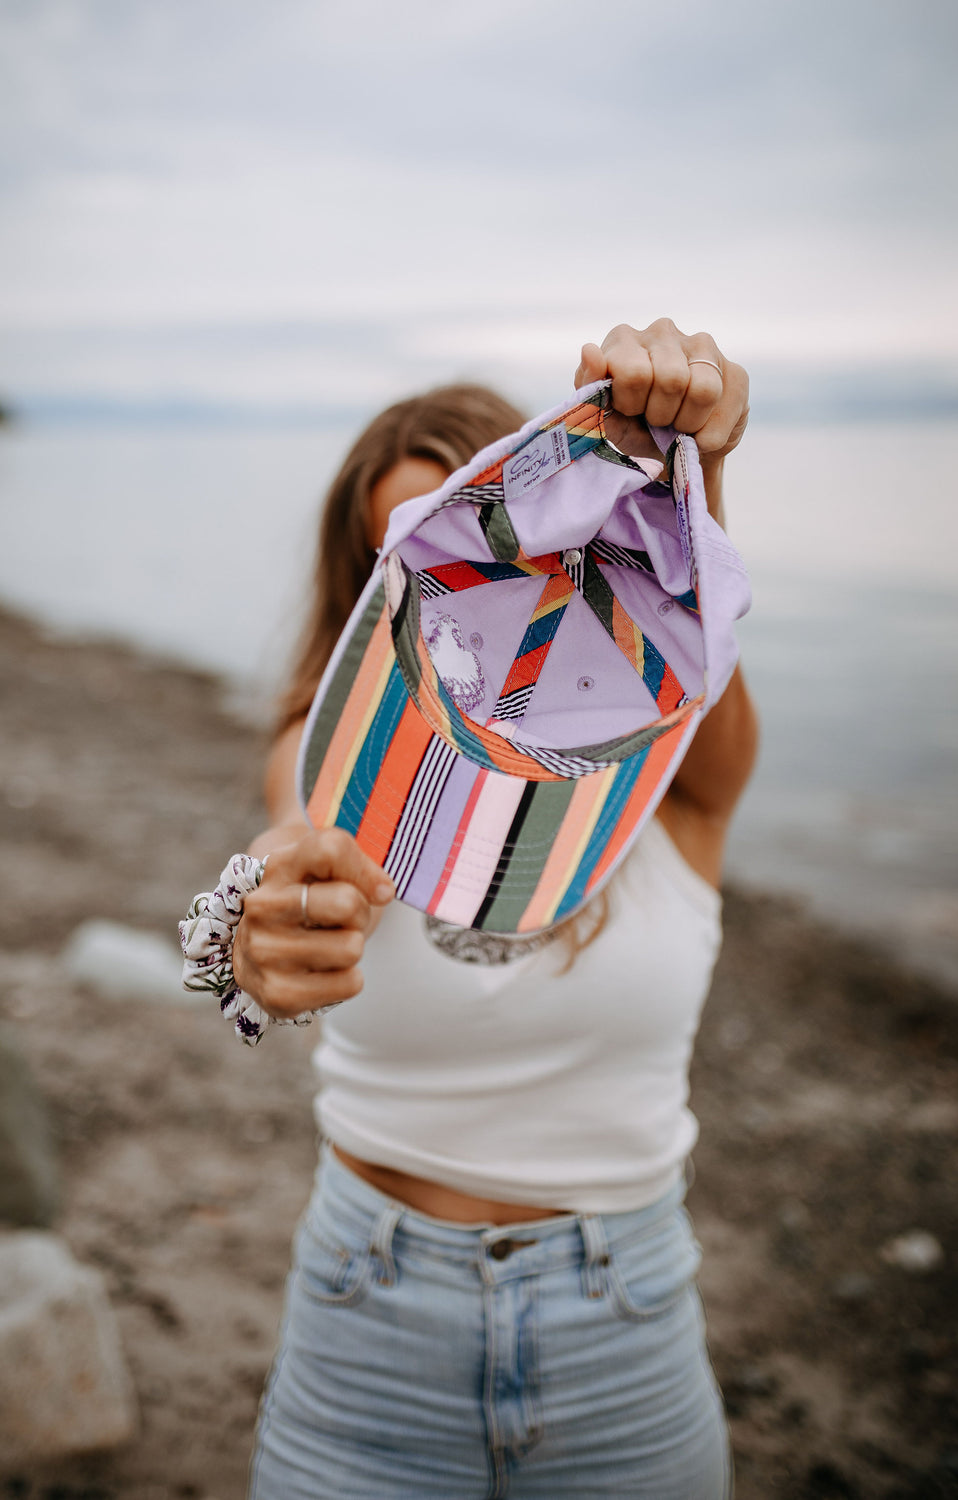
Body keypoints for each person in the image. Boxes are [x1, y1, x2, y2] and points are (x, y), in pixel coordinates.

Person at [231, 318, 756, 1499]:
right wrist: (262, 931)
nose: (444, 615)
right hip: (366, 1331)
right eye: (397, 574)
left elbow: (694, 643)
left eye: (464, 558)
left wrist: (688, 462)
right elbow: (295, 850)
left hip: (623, 1330)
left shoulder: (679, 779)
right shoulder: (330, 766)